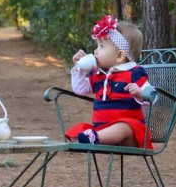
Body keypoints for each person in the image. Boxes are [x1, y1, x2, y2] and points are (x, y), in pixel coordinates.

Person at [66, 15, 154, 150]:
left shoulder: (134, 73)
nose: (95, 51)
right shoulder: (98, 74)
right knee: (77, 130)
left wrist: (140, 93)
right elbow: (80, 89)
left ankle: (93, 138)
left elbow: (153, 96)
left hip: (130, 135)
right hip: (101, 129)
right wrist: (79, 69)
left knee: (123, 127)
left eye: (101, 46)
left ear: (119, 56)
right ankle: (91, 138)